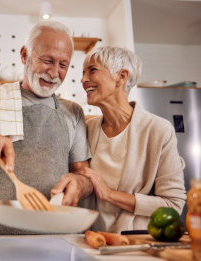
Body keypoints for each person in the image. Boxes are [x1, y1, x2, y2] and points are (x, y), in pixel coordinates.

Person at [0, 20, 93, 235]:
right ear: (24, 55)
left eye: (63, 65)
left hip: (52, 233)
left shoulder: (73, 112)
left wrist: (80, 182)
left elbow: (85, 175)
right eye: (48, 60)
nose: (54, 72)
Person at [79, 46, 187, 233]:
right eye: (83, 72)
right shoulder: (86, 129)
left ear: (121, 76)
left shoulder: (158, 131)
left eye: (92, 70)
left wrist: (110, 194)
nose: (83, 79)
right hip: (91, 239)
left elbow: (172, 205)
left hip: (135, 242)